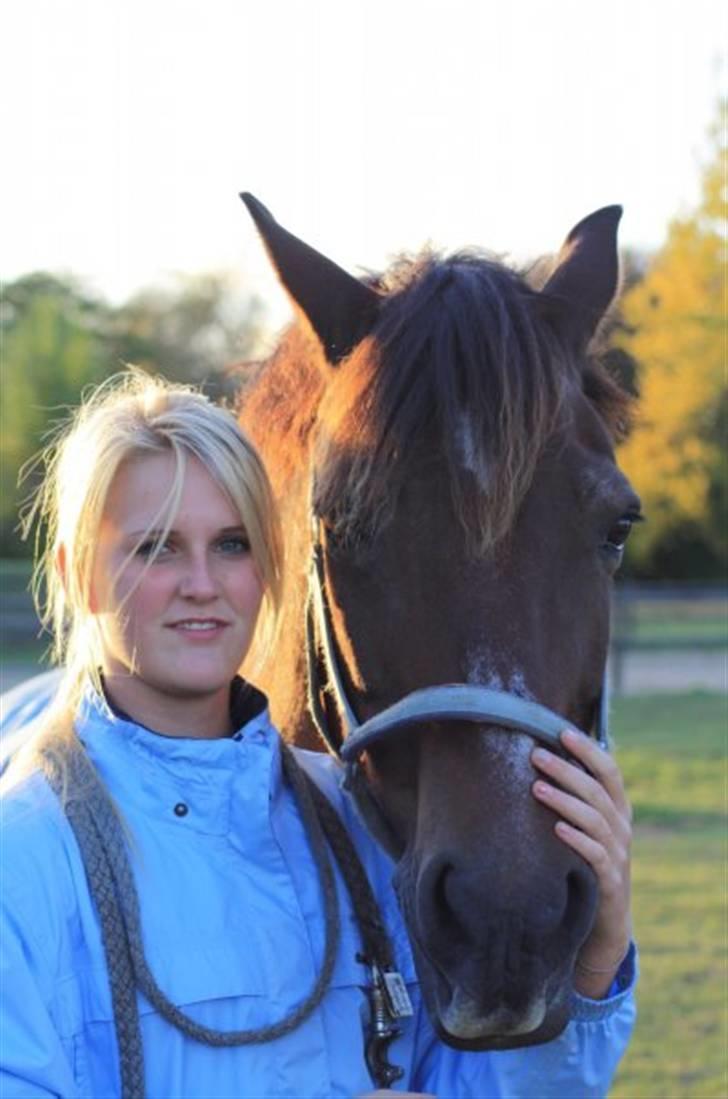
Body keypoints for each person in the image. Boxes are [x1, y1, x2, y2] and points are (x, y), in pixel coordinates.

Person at [0, 369, 636, 1098]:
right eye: (156, 548)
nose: (201, 582)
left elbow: (477, 1087)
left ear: (270, 567)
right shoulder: (22, 862)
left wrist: (591, 966)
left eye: (232, 544)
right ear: (78, 574)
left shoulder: (357, 827)